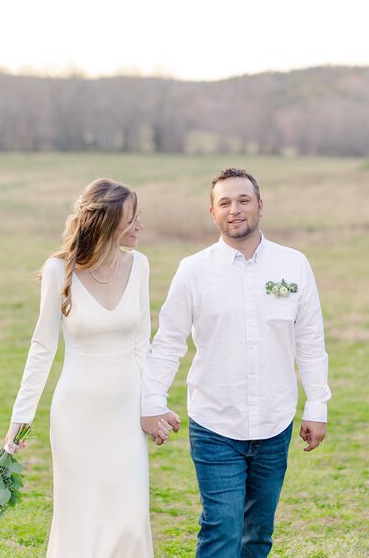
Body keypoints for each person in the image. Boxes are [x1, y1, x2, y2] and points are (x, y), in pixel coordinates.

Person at [141, 168, 331, 557]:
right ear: (212, 212)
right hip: (215, 423)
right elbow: (168, 342)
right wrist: (151, 402)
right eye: (224, 202)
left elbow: (310, 340)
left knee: (258, 534)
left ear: (260, 205)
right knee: (222, 529)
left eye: (244, 200)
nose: (235, 210)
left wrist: (317, 405)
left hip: (275, 424)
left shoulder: (293, 265)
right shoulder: (193, 270)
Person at [5, 178, 172, 558]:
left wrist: (153, 405)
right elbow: (42, 347)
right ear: (109, 222)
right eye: (133, 219)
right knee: (80, 516)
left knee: (130, 517)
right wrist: (21, 417)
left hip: (127, 411)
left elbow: (140, 344)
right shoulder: (57, 270)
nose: (140, 226)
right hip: (77, 414)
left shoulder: (140, 265)